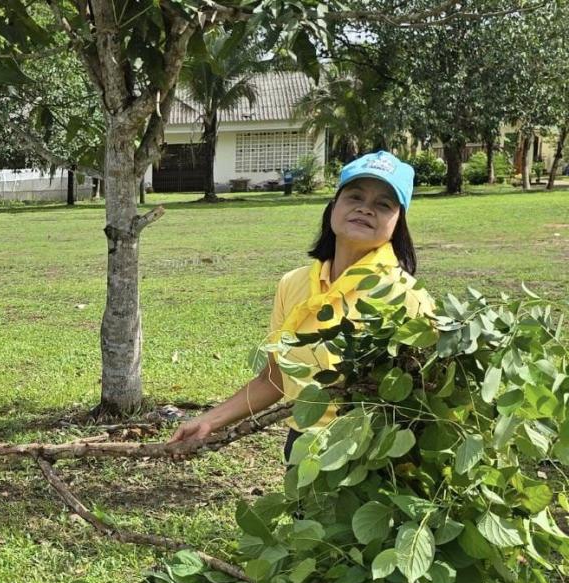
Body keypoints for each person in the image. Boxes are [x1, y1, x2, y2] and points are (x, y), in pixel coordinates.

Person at [169, 151, 435, 457]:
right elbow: (276, 377)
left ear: (398, 222)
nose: (365, 209)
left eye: (383, 204)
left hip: (372, 458)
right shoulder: (293, 284)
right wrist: (208, 421)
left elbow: (421, 399)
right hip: (302, 449)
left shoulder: (407, 298)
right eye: (355, 197)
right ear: (334, 206)